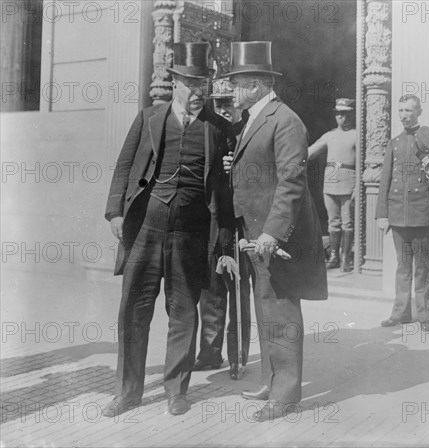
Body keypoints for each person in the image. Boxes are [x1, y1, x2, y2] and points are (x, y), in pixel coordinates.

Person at [102, 43, 235, 417]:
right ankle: (128, 391)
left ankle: (177, 390)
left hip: (191, 232)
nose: (197, 93)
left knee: (183, 311)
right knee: (134, 310)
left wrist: (224, 241)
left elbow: (225, 191)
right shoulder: (148, 118)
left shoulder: (218, 129)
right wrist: (115, 213)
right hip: (146, 226)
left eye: (203, 85)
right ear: (175, 82)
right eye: (190, 84)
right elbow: (124, 166)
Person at [224, 41, 328, 421]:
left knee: (280, 311)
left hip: (274, 237)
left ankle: (284, 396)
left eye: (236, 84)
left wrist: (271, 234)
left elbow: (291, 182)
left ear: (254, 85)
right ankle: (273, 380)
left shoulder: (285, 120)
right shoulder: (256, 118)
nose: (231, 91)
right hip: (256, 234)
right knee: (266, 307)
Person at [193, 79, 251, 380]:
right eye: (219, 104)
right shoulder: (210, 132)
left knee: (237, 289)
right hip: (214, 222)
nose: (224, 109)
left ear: (238, 104)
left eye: (229, 103)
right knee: (211, 289)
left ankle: (238, 358)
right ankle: (210, 353)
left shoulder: (250, 130)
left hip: (241, 224)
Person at [376, 94, 429, 332]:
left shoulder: (425, 137)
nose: (404, 115)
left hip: (419, 212)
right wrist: (381, 214)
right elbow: (384, 179)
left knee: (422, 267)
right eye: (401, 111)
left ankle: (425, 315)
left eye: (409, 110)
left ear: (419, 112)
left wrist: (426, 145)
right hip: (397, 213)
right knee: (402, 266)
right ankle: (400, 314)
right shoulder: (394, 142)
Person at [308, 98, 357, 272]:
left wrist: (357, 187)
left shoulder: (356, 135)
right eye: (338, 113)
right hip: (330, 182)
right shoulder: (330, 135)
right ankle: (335, 256)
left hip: (348, 181)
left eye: (344, 113)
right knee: (333, 222)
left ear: (351, 114)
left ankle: (346, 257)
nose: (341, 117)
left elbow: (362, 162)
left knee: (348, 222)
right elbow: (309, 153)